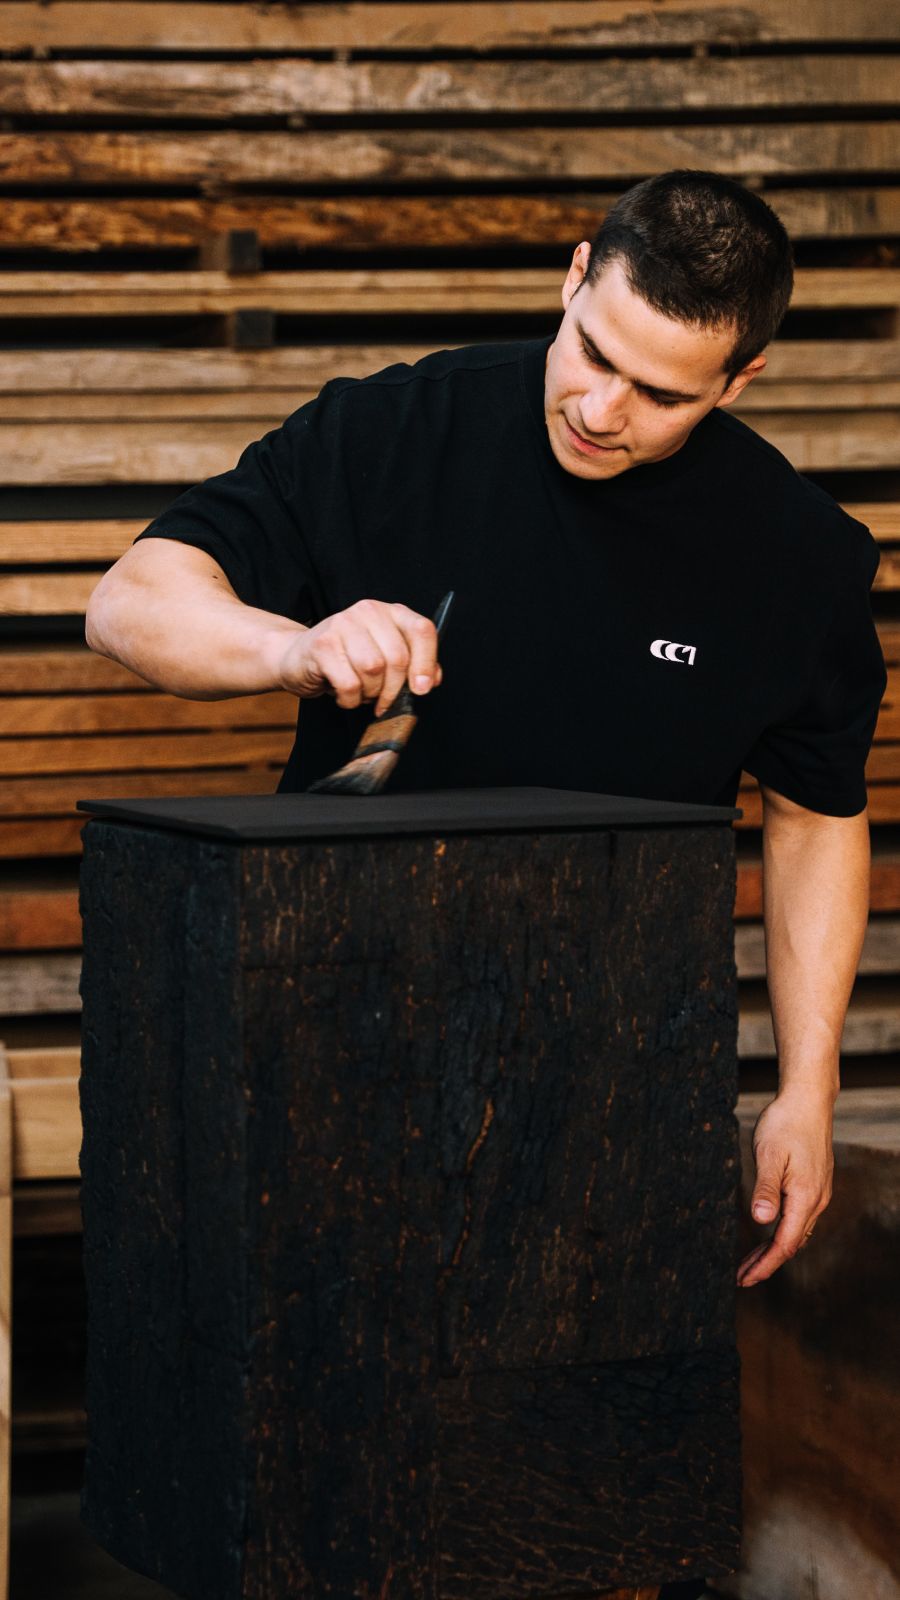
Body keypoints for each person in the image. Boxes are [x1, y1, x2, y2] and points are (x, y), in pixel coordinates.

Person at [85, 170, 886, 1302]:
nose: (601, 410)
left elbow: (815, 818)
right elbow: (128, 601)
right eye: (593, 353)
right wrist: (294, 647)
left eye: (661, 394)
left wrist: (808, 1087)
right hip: (332, 1025)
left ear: (740, 378)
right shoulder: (394, 432)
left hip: (620, 1073)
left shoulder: (798, 557)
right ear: (573, 277)